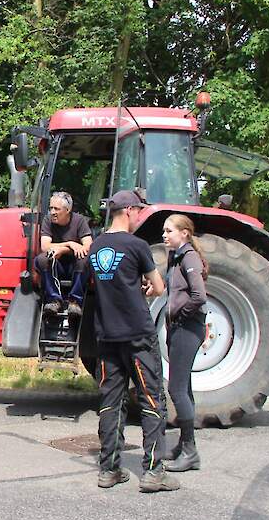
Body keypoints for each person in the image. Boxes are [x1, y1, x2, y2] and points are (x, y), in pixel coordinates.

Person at [88, 189, 178, 493]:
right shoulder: (137, 246)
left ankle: (108, 470)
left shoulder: (96, 246)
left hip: (107, 336)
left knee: (110, 401)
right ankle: (154, 473)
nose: (140, 216)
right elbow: (158, 285)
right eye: (139, 211)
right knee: (152, 399)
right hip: (138, 334)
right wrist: (145, 289)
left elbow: (103, 284)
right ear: (128, 210)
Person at [161, 214, 208, 472]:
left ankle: (190, 452)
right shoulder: (175, 256)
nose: (164, 235)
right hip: (178, 328)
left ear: (184, 234)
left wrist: (181, 315)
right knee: (184, 389)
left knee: (177, 390)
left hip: (187, 328)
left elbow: (198, 295)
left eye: (169, 231)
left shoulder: (189, 257)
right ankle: (183, 445)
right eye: (164, 231)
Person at [34, 192, 93, 317]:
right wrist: (70, 244)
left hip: (75, 267)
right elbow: (45, 246)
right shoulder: (47, 220)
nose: (53, 212)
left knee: (85, 258)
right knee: (43, 258)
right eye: (51, 208)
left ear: (68, 210)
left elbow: (88, 246)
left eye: (56, 209)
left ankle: (75, 301)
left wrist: (63, 250)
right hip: (56, 266)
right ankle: (54, 300)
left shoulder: (80, 221)